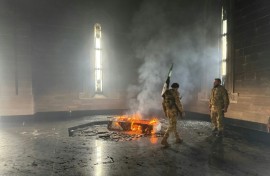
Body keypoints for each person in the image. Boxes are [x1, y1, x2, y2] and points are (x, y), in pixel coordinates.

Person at [161, 82, 184, 147]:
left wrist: (165, 111)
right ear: (176, 88)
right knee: (171, 125)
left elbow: (163, 103)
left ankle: (177, 138)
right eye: (177, 88)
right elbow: (178, 103)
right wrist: (182, 111)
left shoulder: (166, 92)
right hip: (173, 111)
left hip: (168, 111)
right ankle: (164, 139)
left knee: (174, 124)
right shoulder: (175, 92)